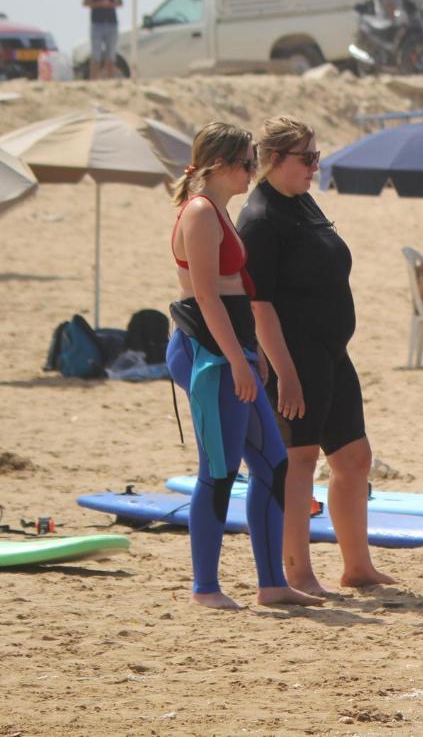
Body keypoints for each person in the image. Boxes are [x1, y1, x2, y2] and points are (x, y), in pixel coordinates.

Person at [166, 122, 322, 610]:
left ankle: (271, 583)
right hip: (209, 353)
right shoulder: (199, 213)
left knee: (274, 467)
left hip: (231, 349)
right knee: (218, 469)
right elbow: (207, 297)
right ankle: (205, 588)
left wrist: (252, 356)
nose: (253, 171)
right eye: (249, 163)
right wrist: (237, 360)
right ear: (224, 165)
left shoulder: (219, 212)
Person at [237, 117, 394, 593]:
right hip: (294, 357)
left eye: (317, 156)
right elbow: (259, 306)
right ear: (274, 160)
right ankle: (297, 570)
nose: (315, 166)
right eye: (306, 158)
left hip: (330, 352)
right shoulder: (260, 218)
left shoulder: (302, 202)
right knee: (299, 459)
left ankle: (357, 565)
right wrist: (284, 373)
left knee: (354, 458)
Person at [82, 0, 122, 80]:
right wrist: (100, 3)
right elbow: (85, 2)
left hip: (111, 23)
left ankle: (110, 79)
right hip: (97, 24)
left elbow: (120, 2)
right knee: (96, 54)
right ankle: (94, 79)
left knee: (111, 54)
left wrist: (110, 4)